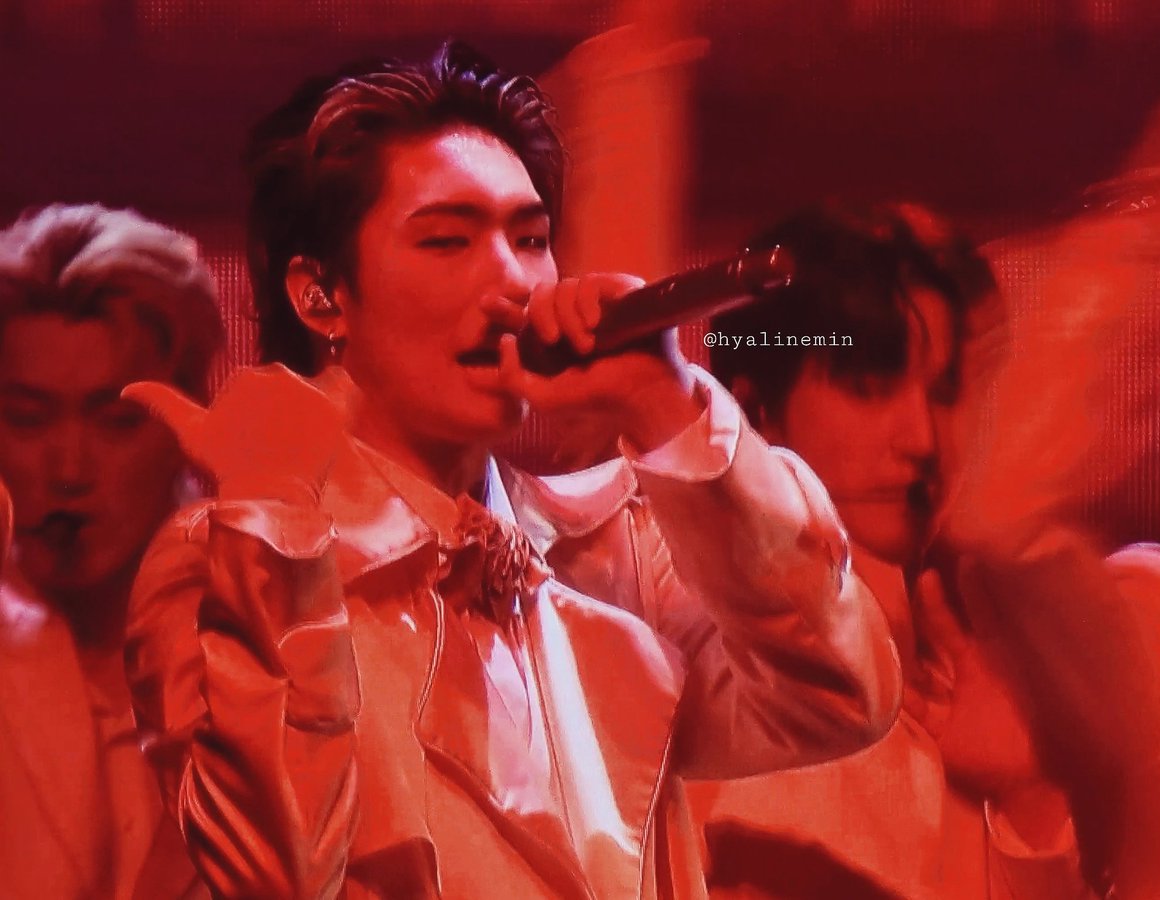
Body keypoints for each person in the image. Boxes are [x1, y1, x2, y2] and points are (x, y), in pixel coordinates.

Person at [122, 41, 901, 899]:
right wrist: (274, 523)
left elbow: (839, 696)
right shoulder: (225, 561)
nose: (510, 282)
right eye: (447, 241)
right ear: (321, 294)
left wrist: (661, 402)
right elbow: (273, 875)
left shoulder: (612, 549)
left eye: (531, 240)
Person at [696, 203, 1102, 899]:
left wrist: (1028, 800)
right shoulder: (692, 672)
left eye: (943, 391)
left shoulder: (978, 689)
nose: (922, 438)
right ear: (755, 412)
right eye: (870, 387)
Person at [0, 203, 223, 899]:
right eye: (27, 419)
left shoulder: (279, 635)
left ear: (188, 420)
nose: (68, 468)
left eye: (117, 421)